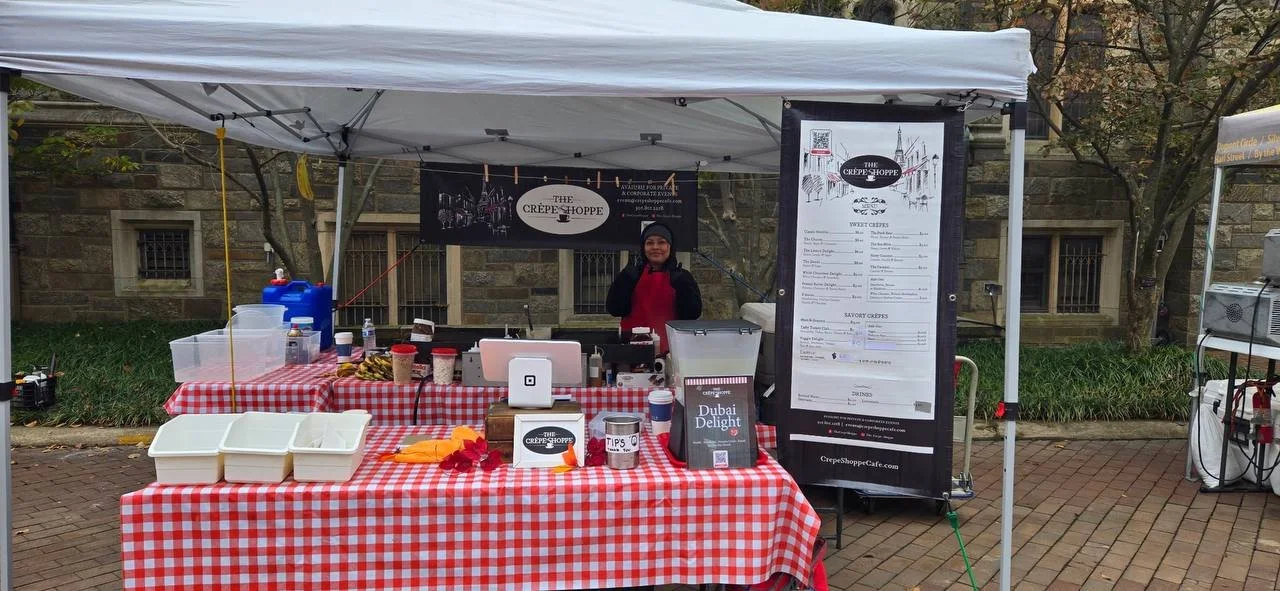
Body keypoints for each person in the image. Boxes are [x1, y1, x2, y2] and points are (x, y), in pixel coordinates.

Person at [606, 222, 702, 355]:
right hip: (632, 351)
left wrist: (683, 287)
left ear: (670, 246)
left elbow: (692, 315)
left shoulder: (683, 277)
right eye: (650, 243)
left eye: (661, 242)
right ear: (643, 248)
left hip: (672, 352)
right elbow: (615, 309)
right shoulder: (631, 275)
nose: (655, 247)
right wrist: (624, 283)